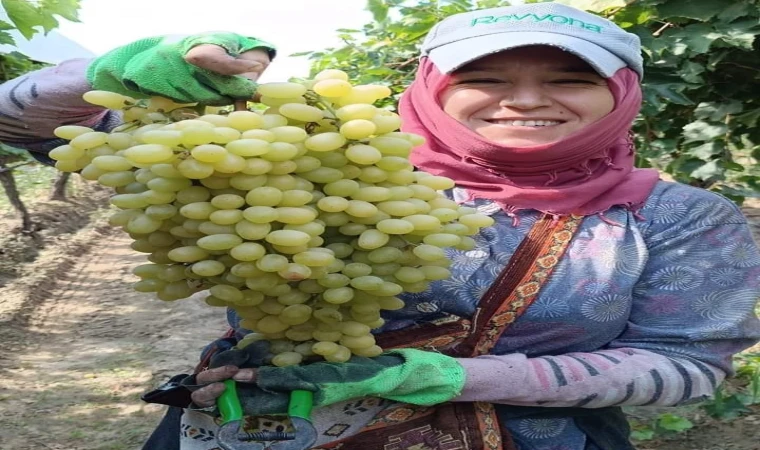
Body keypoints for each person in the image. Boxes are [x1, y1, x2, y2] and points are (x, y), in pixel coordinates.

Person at [2, 4, 759, 450]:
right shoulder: (316, 159)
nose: (525, 100)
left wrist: (464, 378)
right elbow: (16, 124)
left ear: (620, 93)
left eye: (569, 79)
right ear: (431, 88)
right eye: (484, 79)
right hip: (265, 425)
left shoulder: (681, 216)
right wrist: (115, 72)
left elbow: (687, 368)